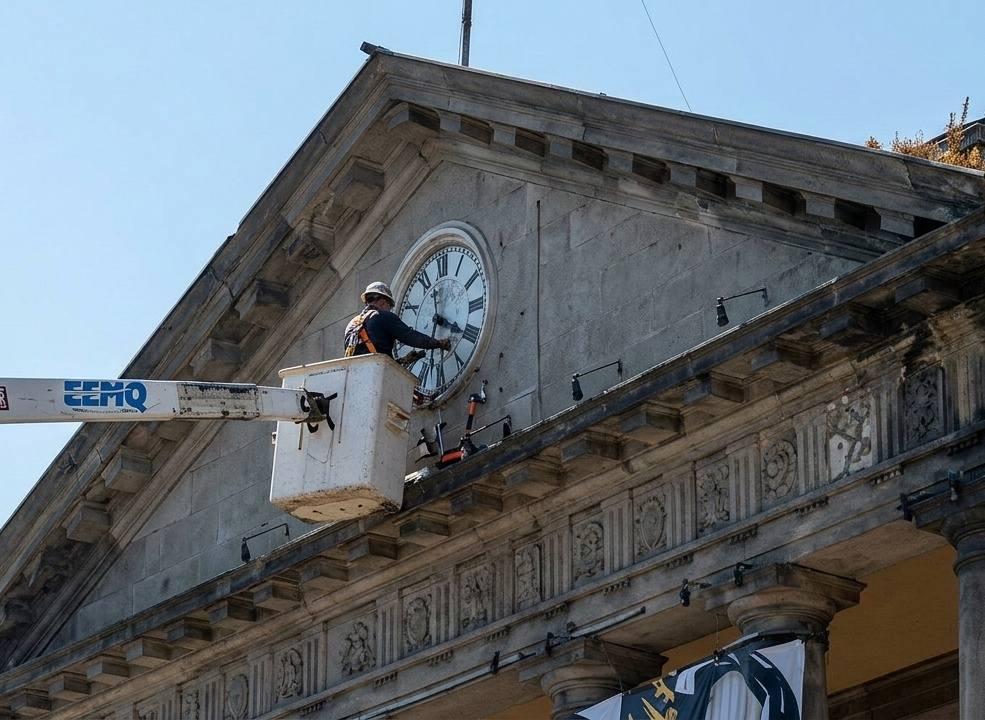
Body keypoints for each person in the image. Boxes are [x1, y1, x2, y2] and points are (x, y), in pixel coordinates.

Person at [344, 282, 451, 358]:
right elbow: (409, 336)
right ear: (382, 302)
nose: (389, 310)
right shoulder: (382, 316)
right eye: (389, 307)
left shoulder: (352, 324)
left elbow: (368, 354)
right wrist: (437, 343)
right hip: (375, 372)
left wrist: (404, 361)